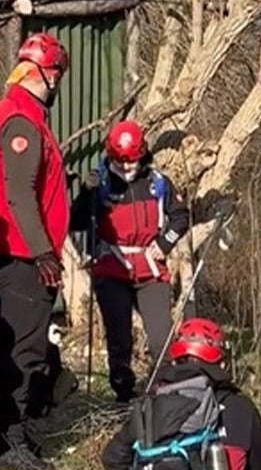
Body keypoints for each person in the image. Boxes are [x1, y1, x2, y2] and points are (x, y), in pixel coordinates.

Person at [0, 32, 71, 470]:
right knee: (23, 349)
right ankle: (8, 443)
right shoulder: (21, 121)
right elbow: (19, 195)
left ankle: (17, 431)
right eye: (57, 74)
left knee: (23, 344)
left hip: (18, 249)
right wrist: (44, 253)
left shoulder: (21, 114)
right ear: (44, 74)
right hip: (18, 253)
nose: (59, 82)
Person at [101, 318, 261, 470]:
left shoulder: (150, 403)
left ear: (175, 360)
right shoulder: (239, 405)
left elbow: (111, 460)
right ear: (221, 363)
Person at [71, 119, 190, 403]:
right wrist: (86, 194)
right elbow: (76, 222)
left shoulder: (158, 183)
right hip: (112, 267)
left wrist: (164, 243)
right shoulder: (99, 182)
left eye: (132, 161)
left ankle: (163, 393)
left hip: (150, 267)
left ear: (143, 155)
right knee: (119, 338)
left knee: (162, 336)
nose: (126, 168)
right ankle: (123, 395)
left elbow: (180, 216)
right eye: (120, 162)